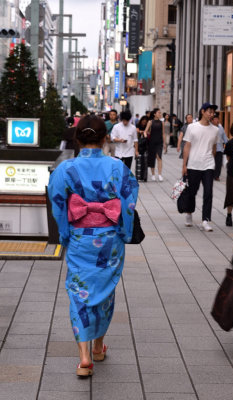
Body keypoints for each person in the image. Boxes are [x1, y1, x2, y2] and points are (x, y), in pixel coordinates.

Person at [47, 115, 139, 377]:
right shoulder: (119, 168)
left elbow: (57, 205)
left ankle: (84, 357)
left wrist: (65, 234)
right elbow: (129, 204)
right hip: (109, 240)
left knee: (79, 293)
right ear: (105, 138)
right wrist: (124, 232)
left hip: (79, 238)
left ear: (77, 139)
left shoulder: (66, 169)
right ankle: (98, 346)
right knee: (105, 291)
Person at [182, 102, 219, 231]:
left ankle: (205, 220)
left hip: (208, 164)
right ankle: (189, 213)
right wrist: (184, 165)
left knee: (208, 192)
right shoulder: (192, 127)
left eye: (213, 112)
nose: (211, 114)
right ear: (202, 111)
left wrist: (211, 160)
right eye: (209, 111)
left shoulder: (215, 129)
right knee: (192, 191)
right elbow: (187, 146)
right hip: (193, 164)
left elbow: (214, 147)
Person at [144, 108, 166, 181]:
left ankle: (159, 174)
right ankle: (153, 174)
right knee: (152, 158)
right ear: (154, 114)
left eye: (160, 113)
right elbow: (145, 131)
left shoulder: (162, 122)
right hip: (152, 142)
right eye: (159, 113)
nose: (160, 114)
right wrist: (145, 135)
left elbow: (163, 133)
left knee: (159, 157)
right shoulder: (150, 122)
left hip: (159, 142)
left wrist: (165, 143)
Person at [211, 113, 228, 181]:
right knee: (211, 163)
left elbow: (224, 137)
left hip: (219, 149)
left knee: (218, 163)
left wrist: (227, 144)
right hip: (211, 149)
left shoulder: (221, 128)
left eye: (217, 119)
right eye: (215, 119)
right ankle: (210, 175)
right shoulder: (210, 127)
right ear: (212, 120)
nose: (217, 120)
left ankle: (216, 176)